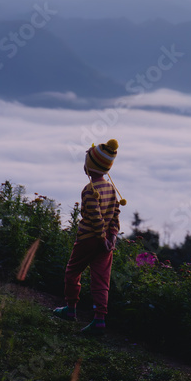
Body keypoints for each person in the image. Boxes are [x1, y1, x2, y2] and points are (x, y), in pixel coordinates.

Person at [53, 139, 125, 334]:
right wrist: (112, 237)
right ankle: (99, 320)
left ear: (89, 167)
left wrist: (102, 238)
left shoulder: (89, 190)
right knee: (101, 280)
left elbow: (95, 217)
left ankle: (70, 309)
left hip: (88, 240)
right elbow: (115, 215)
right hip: (106, 243)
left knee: (72, 271)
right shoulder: (111, 189)